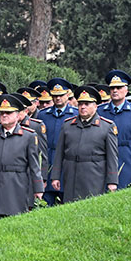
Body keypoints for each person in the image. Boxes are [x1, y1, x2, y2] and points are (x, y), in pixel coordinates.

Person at [0, 94, 43, 219]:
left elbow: (34, 165)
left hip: (17, 185)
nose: (4, 115)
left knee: (15, 221)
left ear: (17, 115)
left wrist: (38, 189)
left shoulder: (28, 136)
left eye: (8, 113)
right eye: (2, 113)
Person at [50, 85, 119, 202]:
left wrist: (112, 181)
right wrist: (55, 176)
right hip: (71, 175)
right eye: (80, 104)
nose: (83, 107)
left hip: (94, 176)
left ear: (96, 106)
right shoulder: (67, 125)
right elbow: (59, 153)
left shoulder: (107, 127)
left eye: (87, 104)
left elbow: (112, 157)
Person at [97, 70, 131, 188]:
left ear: (126, 90)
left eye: (119, 87)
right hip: (104, 160)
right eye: (112, 88)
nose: (115, 91)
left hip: (127, 159)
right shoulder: (100, 111)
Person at [37, 78, 78, 206]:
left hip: (66, 166)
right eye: (55, 96)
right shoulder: (43, 115)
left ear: (68, 95)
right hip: (47, 163)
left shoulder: (75, 114)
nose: (58, 98)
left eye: (61, 95)